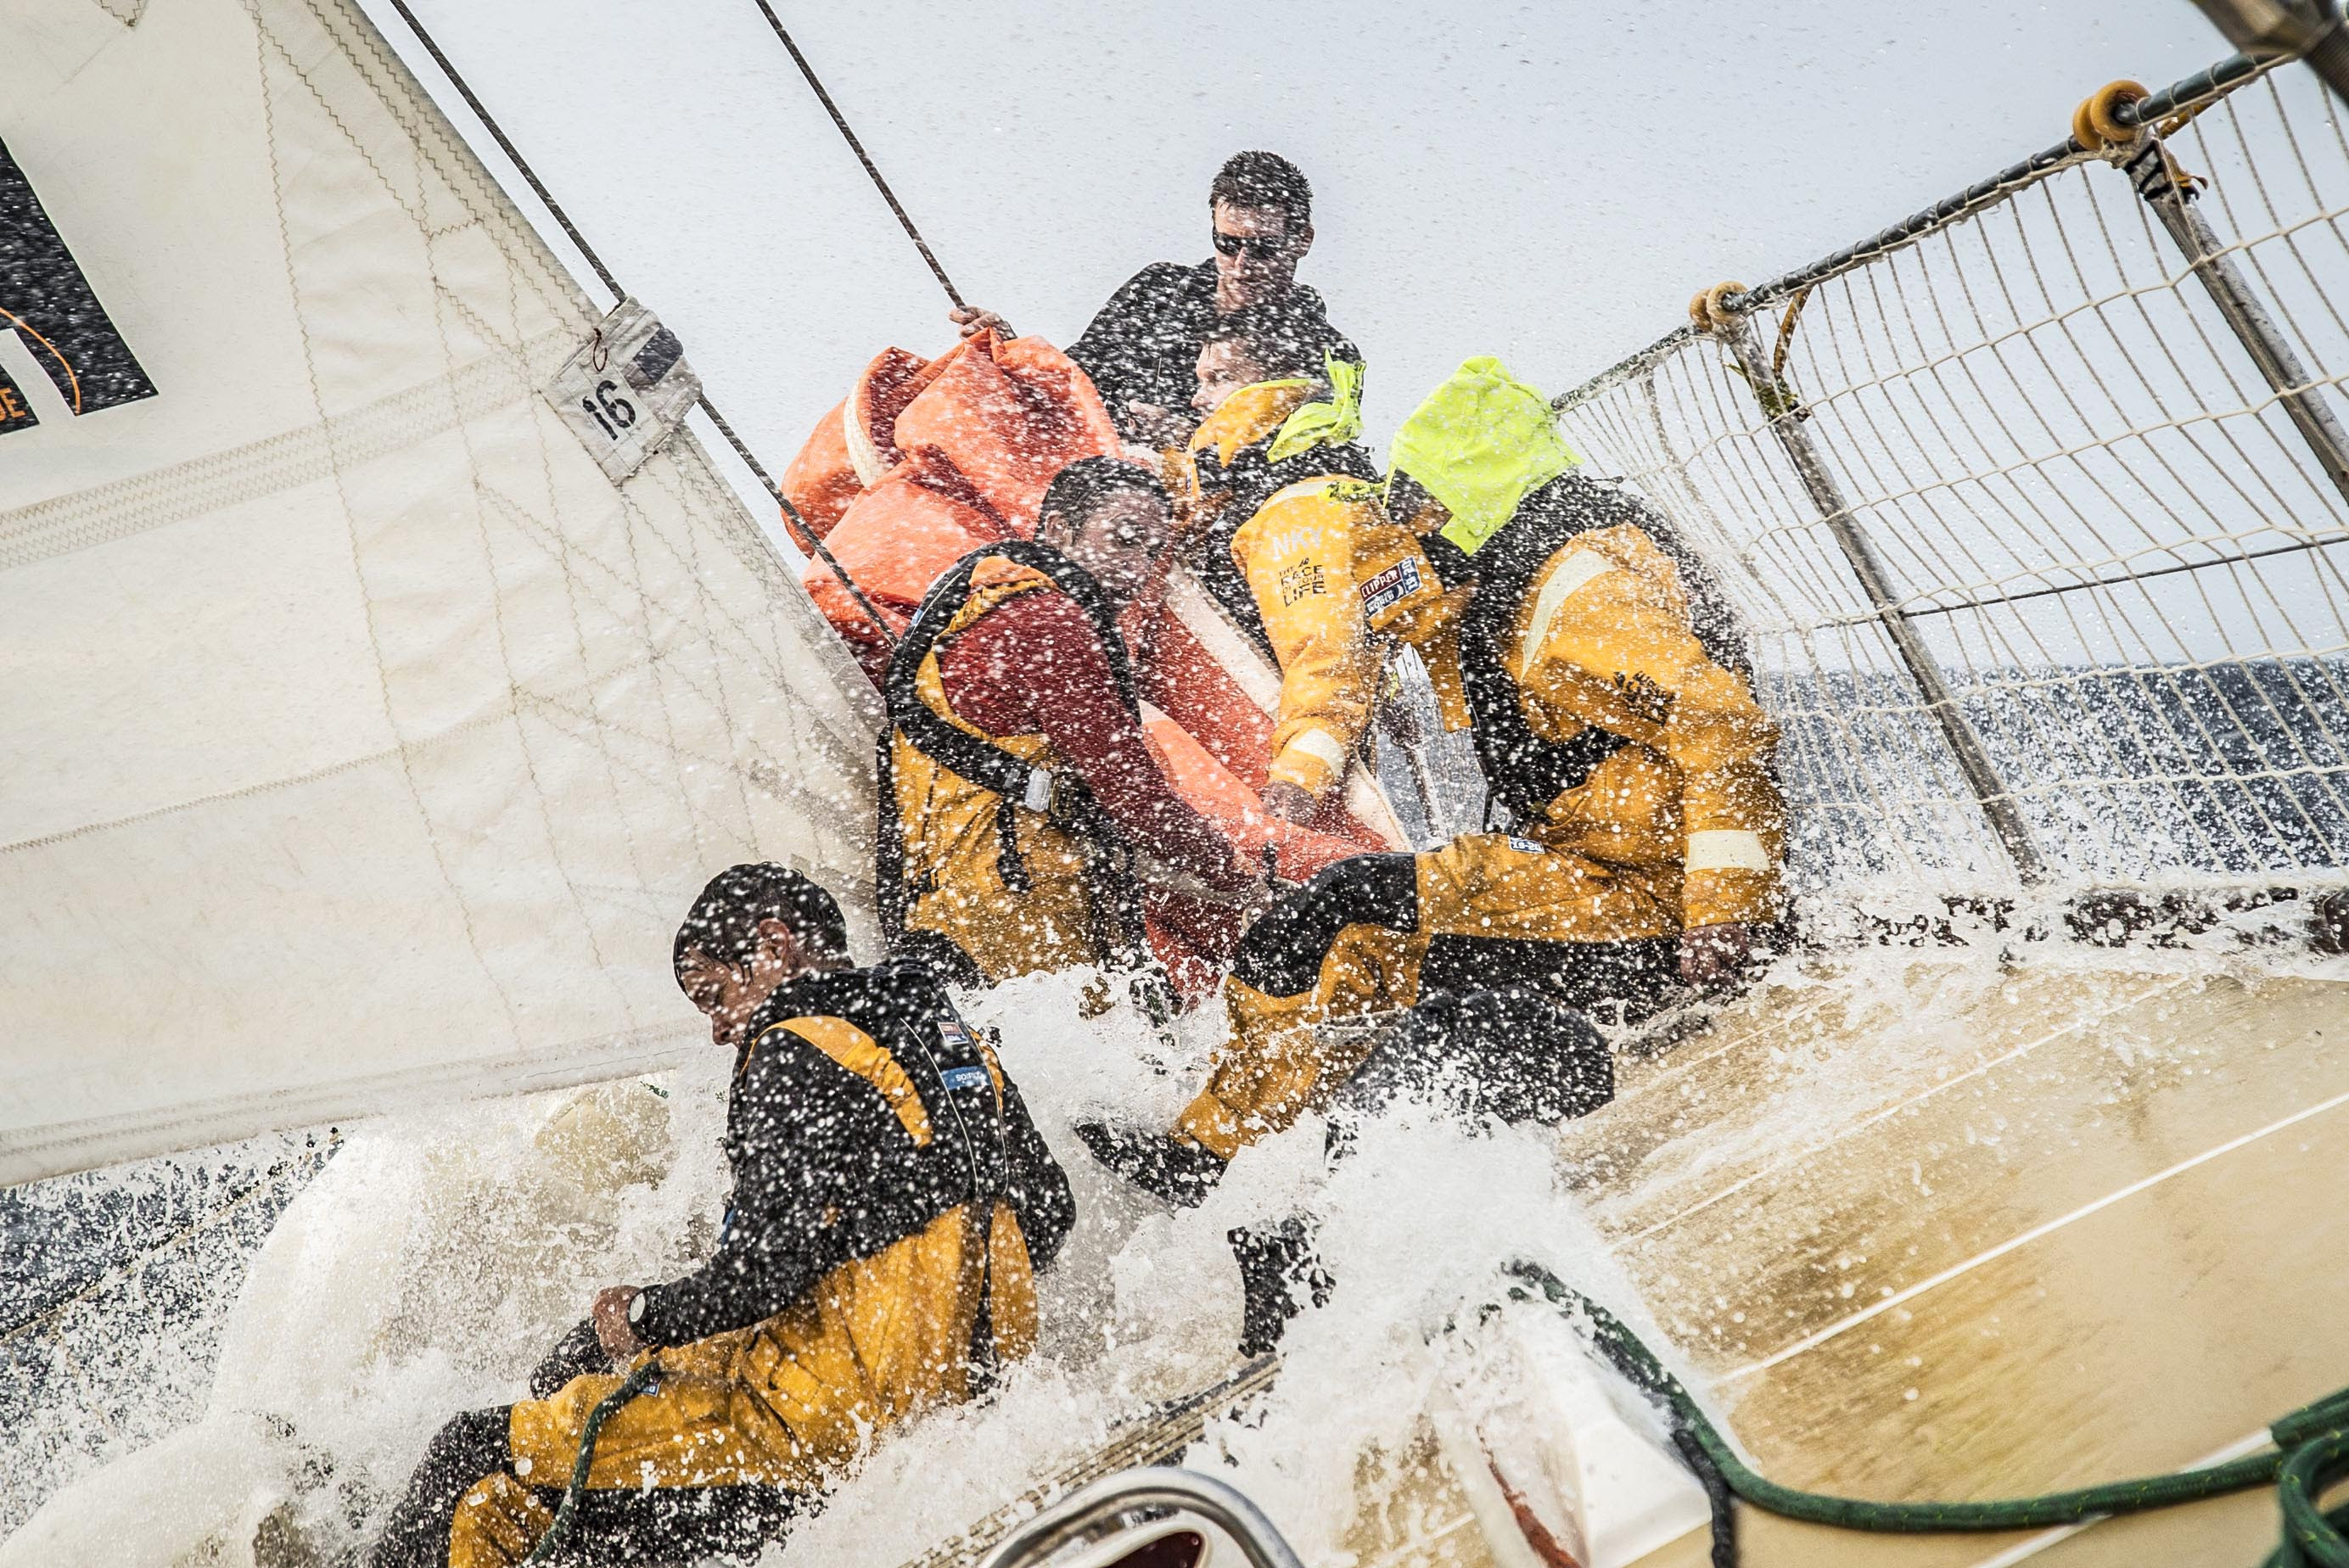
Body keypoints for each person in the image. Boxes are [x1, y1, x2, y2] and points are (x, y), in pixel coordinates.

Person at [1084, 357, 1784, 1202]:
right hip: (1595, 874)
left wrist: (1722, 917)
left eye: (1417, 511)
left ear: (1465, 502)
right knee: (1349, 915)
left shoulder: (1579, 592)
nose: (1408, 529)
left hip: (1653, 908)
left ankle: (1223, 1157)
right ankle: (1212, 1152)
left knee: (1346, 914)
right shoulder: (1523, 582)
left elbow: (1722, 724)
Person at [368, 865, 1075, 1568]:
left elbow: (764, 1274)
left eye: (715, 996)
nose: (717, 1031)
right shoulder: (949, 1037)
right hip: (954, 1405)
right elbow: (1048, 1213)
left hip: (810, 1430)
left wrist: (640, 1317)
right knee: (542, 1471)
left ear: (772, 945)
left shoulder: (793, 1044)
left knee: (476, 1460)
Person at [878, 457, 1264, 985]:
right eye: (1124, 539)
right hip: (1019, 923)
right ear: (1059, 527)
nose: (1136, 568)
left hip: (947, 914)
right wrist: (1242, 877)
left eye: (1151, 552)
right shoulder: (1051, 624)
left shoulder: (979, 606)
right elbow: (1135, 800)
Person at [951, 151, 1355, 447]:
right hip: (1110, 501)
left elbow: (1310, 457)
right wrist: (1012, 348)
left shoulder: (1327, 353)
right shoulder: (1157, 290)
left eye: (1264, 248)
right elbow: (1073, 382)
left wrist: (1193, 441)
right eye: (1227, 243)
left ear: (1303, 239)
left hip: (1219, 536)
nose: (1242, 263)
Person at [1181, 312, 1386, 825]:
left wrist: (1298, 783)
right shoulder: (1267, 489)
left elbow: (1328, 660)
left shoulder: (1300, 511)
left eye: (1218, 379)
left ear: (1281, 388)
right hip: (1278, 743)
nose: (1196, 400)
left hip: (1285, 771)